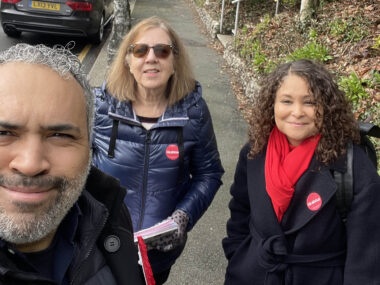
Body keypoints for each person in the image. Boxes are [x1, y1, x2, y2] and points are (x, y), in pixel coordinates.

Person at [222, 59, 380, 284]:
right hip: (252, 274)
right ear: (272, 104)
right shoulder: (255, 151)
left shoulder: (353, 166)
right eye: (286, 101)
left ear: (327, 107)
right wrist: (237, 255)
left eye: (309, 102)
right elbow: (240, 209)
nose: (297, 112)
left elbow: (366, 258)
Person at [92, 16, 224, 284]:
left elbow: (209, 174)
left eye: (162, 51)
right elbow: (72, 165)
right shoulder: (100, 106)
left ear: (175, 62)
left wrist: (183, 216)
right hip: (101, 245)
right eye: (140, 50)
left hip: (157, 255)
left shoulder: (194, 112)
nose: (151, 58)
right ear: (128, 61)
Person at [0, 43, 145, 285]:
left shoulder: (111, 214)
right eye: (4, 132)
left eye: (60, 136)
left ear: (89, 150)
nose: (30, 164)